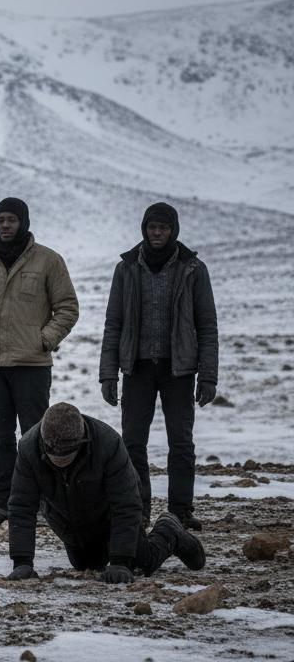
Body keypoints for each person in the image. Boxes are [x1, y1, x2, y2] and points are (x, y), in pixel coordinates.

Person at [0, 197, 79, 526]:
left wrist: (43, 339)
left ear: (22, 222)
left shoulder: (48, 261)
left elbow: (68, 308)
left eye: (12, 220)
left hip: (31, 366)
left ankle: (41, 504)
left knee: (36, 436)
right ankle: (3, 503)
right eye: (1, 220)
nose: (6, 226)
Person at [99, 202, 218, 531]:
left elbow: (207, 325)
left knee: (180, 442)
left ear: (173, 230)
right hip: (136, 369)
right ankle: (138, 510)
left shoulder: (192, 268)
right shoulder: (126, 268)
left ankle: (180, 511)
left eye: (163, 228)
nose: (156, 233)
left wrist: (208, 375)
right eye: (152, 227)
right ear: (144, 228)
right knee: (133, 442)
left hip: (178, 369)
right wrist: (108, 373)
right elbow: (114, 323)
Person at [4, 402, 205, 584]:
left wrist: (120, 561)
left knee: (142, 563)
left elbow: (126, 502)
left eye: (67, 455)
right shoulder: (28, 448)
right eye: (53, 454)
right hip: (69, 523)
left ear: (81, 442)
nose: (60, 461)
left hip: (110, 517)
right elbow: (22, 505)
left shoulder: (108, 443)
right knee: (86, 566)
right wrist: (22, 563)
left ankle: (169, 531)